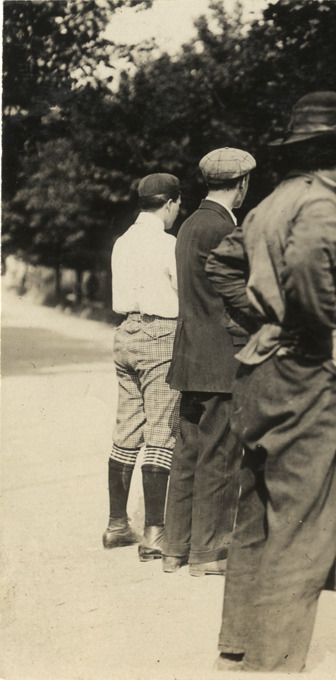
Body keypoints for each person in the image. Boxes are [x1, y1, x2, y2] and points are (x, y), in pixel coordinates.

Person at [205, 91, 336, 671]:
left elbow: (221, 263)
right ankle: (273, 665)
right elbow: (306, 270)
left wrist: (263, 319)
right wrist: (307, 330)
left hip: (260, 370)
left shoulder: (270, 203)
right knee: (303, 529)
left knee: (256, 514)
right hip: (307, 369)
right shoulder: (321, 202)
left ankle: (238, 649)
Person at [161, 148, 255, 576]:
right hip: (222, 360)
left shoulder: (188, 225)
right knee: (221, 456)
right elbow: (241, 296)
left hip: (189, 357)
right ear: (241, 185)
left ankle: (175, 548)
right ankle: (210, 552)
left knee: (188, 455)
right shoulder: (224, 229)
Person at [103, 173, 182, 561]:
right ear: (169, 204)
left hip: (126, 333)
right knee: (161, 431)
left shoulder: (122, 241)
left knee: (126, 429)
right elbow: (183, 290)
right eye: (177, 205)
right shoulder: (167, 243)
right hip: (160, 334)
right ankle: (154, 533)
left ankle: (117, 524)